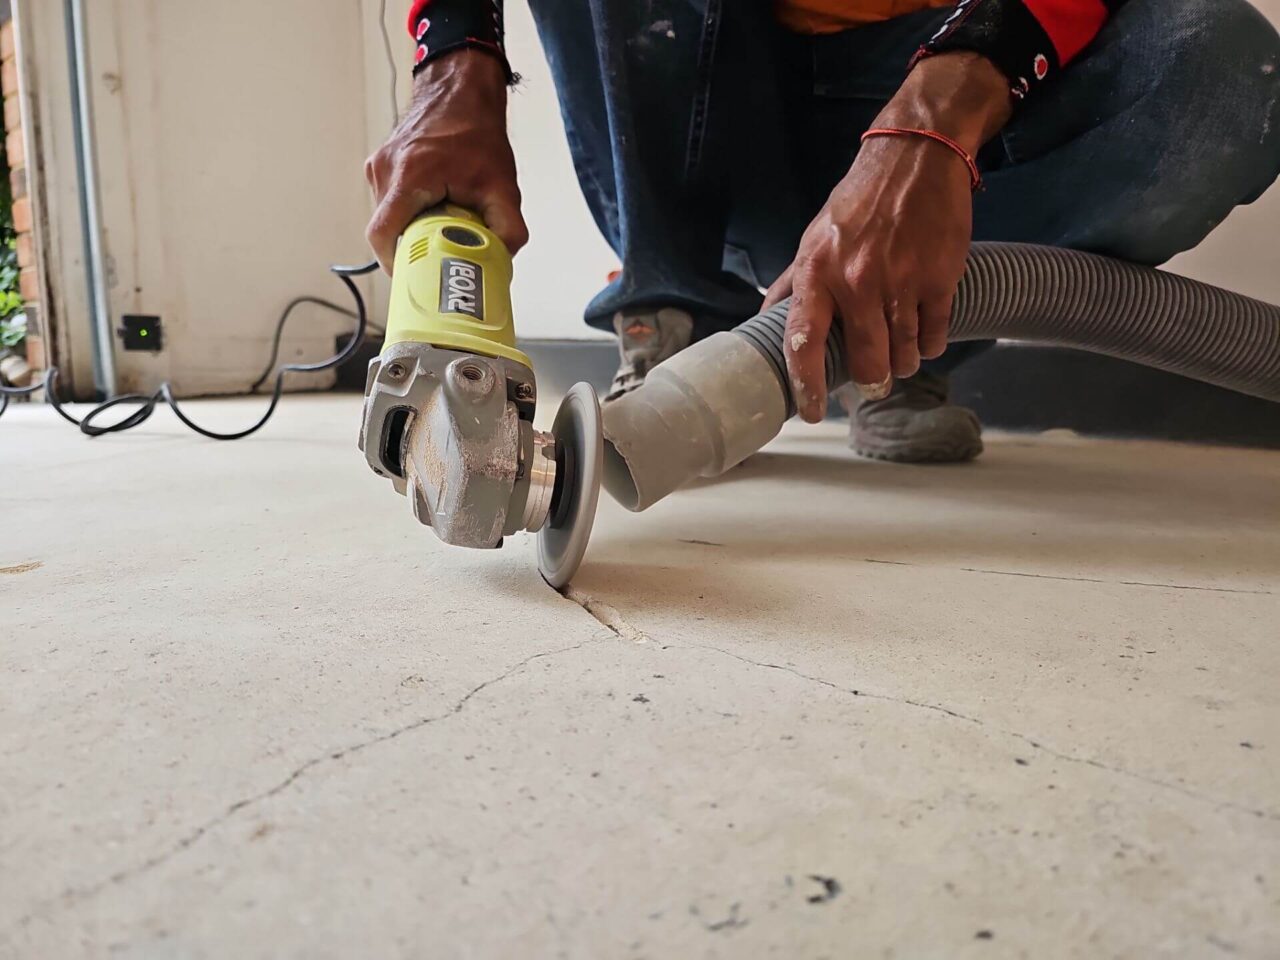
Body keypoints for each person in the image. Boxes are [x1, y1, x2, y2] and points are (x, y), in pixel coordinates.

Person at [366, 0, 1280, 462]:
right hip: (702, 79)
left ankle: (894, 340)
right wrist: (454, 58)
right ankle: (674, 311)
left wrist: (938, 116)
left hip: (955, 67)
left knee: (1233, 80)